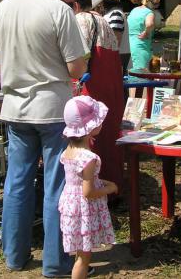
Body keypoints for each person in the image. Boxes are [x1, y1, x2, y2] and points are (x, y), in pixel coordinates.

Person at [0, 0, 87, 276]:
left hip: (15, 107)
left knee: (17, 182)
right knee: (57, 185)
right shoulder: (58, 10)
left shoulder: (2, 9)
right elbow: (76, 67)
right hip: (52, 108)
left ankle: (14, 256)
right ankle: (56, 263)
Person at [61, 0, 125, 193]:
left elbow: (79, 54)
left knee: (88, 134)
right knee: (107, 131)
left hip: (92, 84)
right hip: (111, 83)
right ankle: (111, 185)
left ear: (76, 6)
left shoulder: (81, 19)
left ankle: (89, 187)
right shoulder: (104, 20)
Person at [59, 95, 117, 279]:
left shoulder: (68, 151)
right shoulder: (89, 158)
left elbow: (79, 180)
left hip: (70, 206)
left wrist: (103, 182)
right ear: (90, 127)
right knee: (84, 258)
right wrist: (110, 188)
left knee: (79, 252)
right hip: (83, 210)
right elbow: (88, 191)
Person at [98, 0, 131, 75]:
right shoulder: (111, 13)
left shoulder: (115, 14)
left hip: (116, 57)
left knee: (117, 87)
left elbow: (115, 40)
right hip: (114, 56)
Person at [127, 0, 161, 70]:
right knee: (141, 76)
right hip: (141, 47)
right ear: (148, 1)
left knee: (130, 74)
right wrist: (146, 32)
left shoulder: (134, 10)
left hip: (129, 46)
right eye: (155, 3)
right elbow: (150, 24)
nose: (157, 6)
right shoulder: (149, 13)